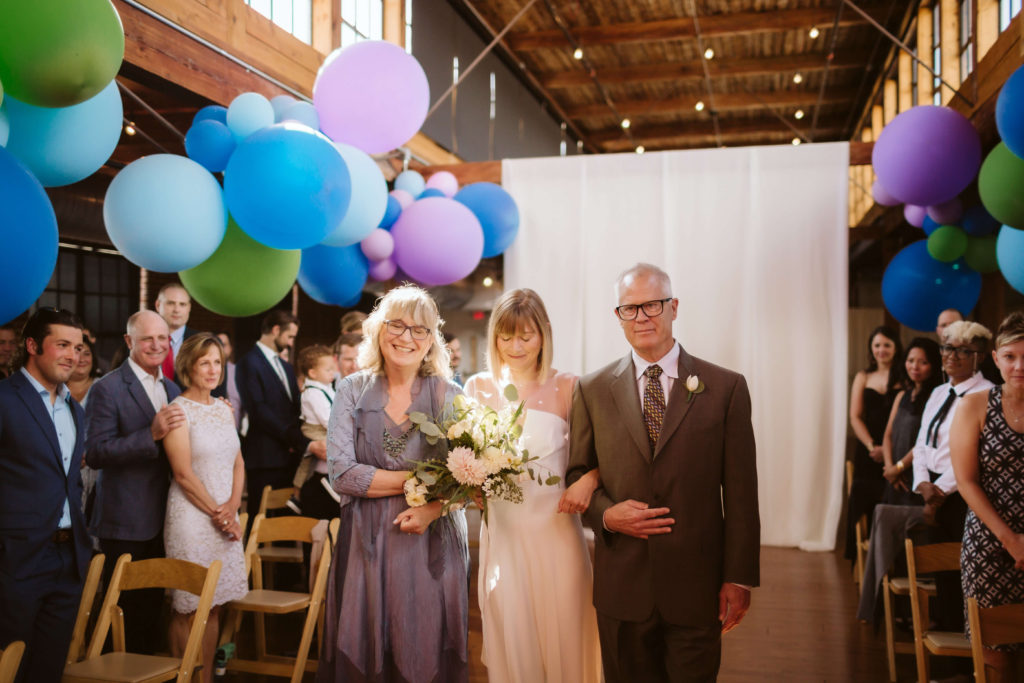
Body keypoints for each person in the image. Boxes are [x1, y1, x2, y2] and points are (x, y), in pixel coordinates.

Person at [566, 263, 759, 682]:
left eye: (651, 305)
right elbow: (577, 477)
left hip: (697, 585)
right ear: (618, 317)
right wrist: (605, 515)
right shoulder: (592, 390)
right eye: (629, 309)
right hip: (623, 588)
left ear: (673, 307)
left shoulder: (726, 388)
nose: (642, 317)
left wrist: (739, 578)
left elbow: (742, 494)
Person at [317, 285, 468, 683]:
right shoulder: (350, 389)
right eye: (396, 325)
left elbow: (469, 478)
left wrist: (432, 506)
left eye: (419, 329)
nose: (406, 337)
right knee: (364, 645)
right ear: (377, 331)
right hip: (365, 543)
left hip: (429, 541)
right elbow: (343, 474)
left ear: (432, 339)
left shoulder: (451, 396)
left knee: (423, 646)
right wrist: (423, 481)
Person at [464, 288, 600, 682]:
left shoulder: (569, 386)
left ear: (544, 335)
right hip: (503, 532)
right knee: (512, 624)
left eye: (526, 336)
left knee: (566, 624)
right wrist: (469, 482)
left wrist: (588, 481)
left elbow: (604, 457)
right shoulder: (477, 389)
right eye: (506, 337)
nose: (516, 346)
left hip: (556, 530)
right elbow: (466, 459)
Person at [0, 308, 91, 683]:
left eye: (79, 347)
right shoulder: (5, 398)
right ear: (33, 345)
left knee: (48, 670)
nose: (73, 355)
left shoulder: (75, 409)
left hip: (68, 560)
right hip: (15, 561)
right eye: (63, 345)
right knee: (10, 668)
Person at [86, 310, 184, 654]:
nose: (156, 345)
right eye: (147, 339)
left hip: (165, 517)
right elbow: (95, 452)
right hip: (124, 521)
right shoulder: (107, 388)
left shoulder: (172, 388)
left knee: (152, 609)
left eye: (162, 338)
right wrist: (150, 435)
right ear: (129, 341)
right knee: (121, 611)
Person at [163, 333, 248, 683]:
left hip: (225, 514)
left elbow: (238, 462)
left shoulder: (224, 409)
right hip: (191, 518)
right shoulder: (177, 412)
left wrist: (232, 506)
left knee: (213, 605)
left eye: (217, 361)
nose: (212, 369)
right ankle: (185, 677)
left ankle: (207, 678)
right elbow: (182, 474)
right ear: (188, 366)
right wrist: (219, 513)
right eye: (204, 362)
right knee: (187, 607)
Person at [952, 311, 1024, 682]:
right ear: (995, 358)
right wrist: (1012, 540)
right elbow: (966, 482)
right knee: (996, 658)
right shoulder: (975, 406)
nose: (1019, 366)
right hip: (990, 545)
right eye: (1010, 356)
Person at [911, 319, 994, 632]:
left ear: (981, 356)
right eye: (947, 348)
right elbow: (921, 443)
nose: (952, 356)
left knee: (962, 572)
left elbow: (975, 454)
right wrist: (922, 483)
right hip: (931, 487)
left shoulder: (987, 394)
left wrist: (939, 491)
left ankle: (966, 653)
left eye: (963, 350)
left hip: (962, 493)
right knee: (940, 570)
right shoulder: (938, 392)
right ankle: (944, 638)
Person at [236, 310, 324, 520]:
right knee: (259, 517)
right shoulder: (248, 363)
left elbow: (294, 405)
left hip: (290, 455)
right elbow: (259, 410)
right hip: (264, 456)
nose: (291, 343)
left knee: (288, 521)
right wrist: (297, 438)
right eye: (290, 336)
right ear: (276, 330)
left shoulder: (285, 365)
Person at [846, 326, 902, 560]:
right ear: (871, 348)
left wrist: (888, 451)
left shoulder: (904, 376)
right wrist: (872, 446)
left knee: (892, 502)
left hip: (897, 451)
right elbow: (855, 416)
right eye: (877, 345)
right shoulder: (863, 376)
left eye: (887, 345)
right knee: (863, 501)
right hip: (868, 452)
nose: (882, 350)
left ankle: (888, 555)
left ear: (896, 348)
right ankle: (861, 558)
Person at [880, 338, 943, 505]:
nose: (914, 367)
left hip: (916, 477)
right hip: (892, 476)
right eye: (910, 360)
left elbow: (925, 441)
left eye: (923, 362)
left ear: (934, 365)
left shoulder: (936, 398)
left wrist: (899, 467)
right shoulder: (902, 395)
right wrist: (889, 469)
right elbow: (888, 435)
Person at [289, 345, 340, 519]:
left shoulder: (326, 387)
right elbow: (327, 417)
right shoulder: (313, 393)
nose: (332, 373)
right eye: (327, 370)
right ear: (312, 373)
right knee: (308, 463)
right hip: (316, 430)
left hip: (326, 427)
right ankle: (297, 495)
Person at [155, 283, 196, 383]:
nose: (177, 310)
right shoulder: (141, 340)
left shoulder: (202, 341)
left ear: (189, 308)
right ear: (158, 305)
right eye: (170, 303)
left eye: (182, 304)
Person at [215, 332, 243, 431]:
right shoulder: (208, 374)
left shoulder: (239, 372)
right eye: (218, 345)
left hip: (236, 431)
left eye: (224, 345)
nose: (221, 348)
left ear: (231, 348)